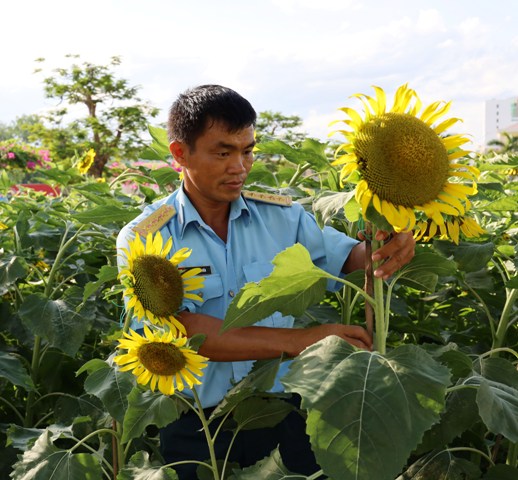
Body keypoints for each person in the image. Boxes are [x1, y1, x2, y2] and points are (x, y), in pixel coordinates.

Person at [116, 84, 416, 478]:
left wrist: (390, 239)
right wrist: (299, 341)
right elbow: (179, 332)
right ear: (179, 154)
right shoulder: (146, 238)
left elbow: (345, 258)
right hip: (198, 425)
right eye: (223, 153)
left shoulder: (281, 217)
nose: (239, 166)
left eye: (247, 150)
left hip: (282, 413)